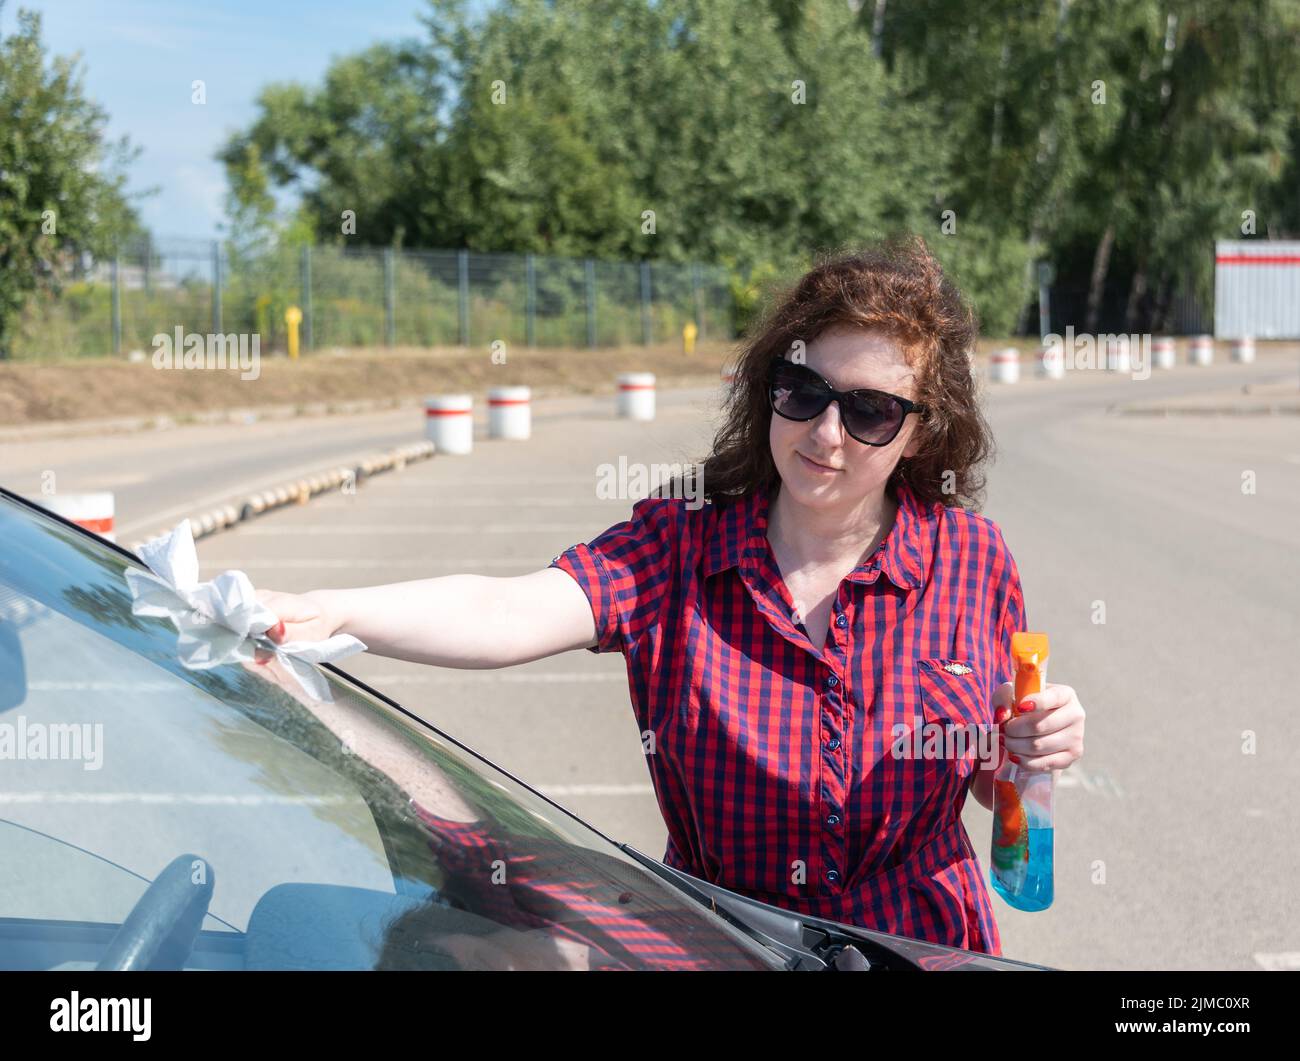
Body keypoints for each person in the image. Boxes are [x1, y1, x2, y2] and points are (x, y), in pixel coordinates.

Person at [257, 235, 1086, 957]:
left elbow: (984, 774)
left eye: (870, 411)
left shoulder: (973, 560)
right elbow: (506, 611)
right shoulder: (680, 546)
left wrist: (1027, 746)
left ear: (923, 432)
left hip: (922, 946)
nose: (826, 433)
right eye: (803, 392)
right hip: (727, 947)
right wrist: (332, 611)